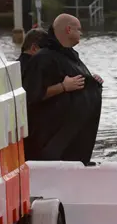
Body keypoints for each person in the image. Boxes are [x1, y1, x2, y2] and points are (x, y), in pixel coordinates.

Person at [22, 14, 103, 165]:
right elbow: (31, 96)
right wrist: (63, 87)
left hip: (76, 142)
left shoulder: (71, 56)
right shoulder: (43, 58)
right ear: (68, 29)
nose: (81, 33)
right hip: (50, 143)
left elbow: (78, 79)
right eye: (78, 29)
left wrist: (92, 80)